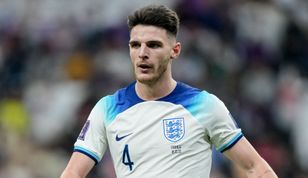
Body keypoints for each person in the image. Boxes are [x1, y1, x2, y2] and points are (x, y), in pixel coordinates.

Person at [60, 4, 278, 178]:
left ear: (174, 51)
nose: (142, 53)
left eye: (153, 45)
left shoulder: (205, 105)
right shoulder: (107, 108)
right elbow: (73, 172)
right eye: (135, 45)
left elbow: (255, 168)